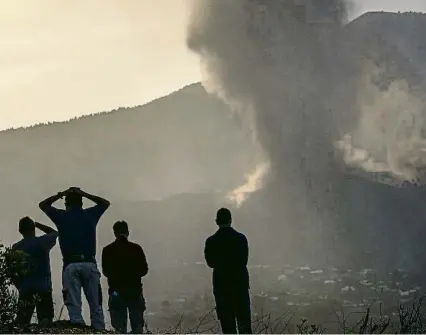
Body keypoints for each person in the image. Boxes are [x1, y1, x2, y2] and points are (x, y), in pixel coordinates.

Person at [39, 187, 110, 330]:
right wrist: (84, 193)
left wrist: (61, 193)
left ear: (66, 204)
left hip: (70, 265)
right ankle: (99, 330)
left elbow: (43, 205)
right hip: (89, 264)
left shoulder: (61, 216)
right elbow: (105, 203)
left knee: (74, 309)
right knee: (96, 307)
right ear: (81, 203)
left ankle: (78, 331)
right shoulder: (90, 215)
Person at [204, 208, 253, 334]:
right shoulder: (241, 239)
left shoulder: (211, 241)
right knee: (244, 325)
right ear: (230, 220)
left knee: (228, 327)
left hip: (222, 288)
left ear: (216, 221)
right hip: (239, 287)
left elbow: (210, 263)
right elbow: (244, 261)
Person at [102, 220, 148, 333]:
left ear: (114, 233)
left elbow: (106, 272)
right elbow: (144, 270)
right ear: (127, 232)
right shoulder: (136, 248)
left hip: (116, 290)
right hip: (135, 290)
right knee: (137, 326)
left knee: (119, 328)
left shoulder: (107, 250)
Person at [12, 216, 58, 327]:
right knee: (45, 320)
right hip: (43, 286)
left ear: (20, 231)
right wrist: (38, 224)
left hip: (26, 288)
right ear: (33, 228)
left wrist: (20, 286)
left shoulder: (16, 247)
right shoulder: (42, 242)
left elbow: (12, 271)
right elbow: (54, 233)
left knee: (22, 321)